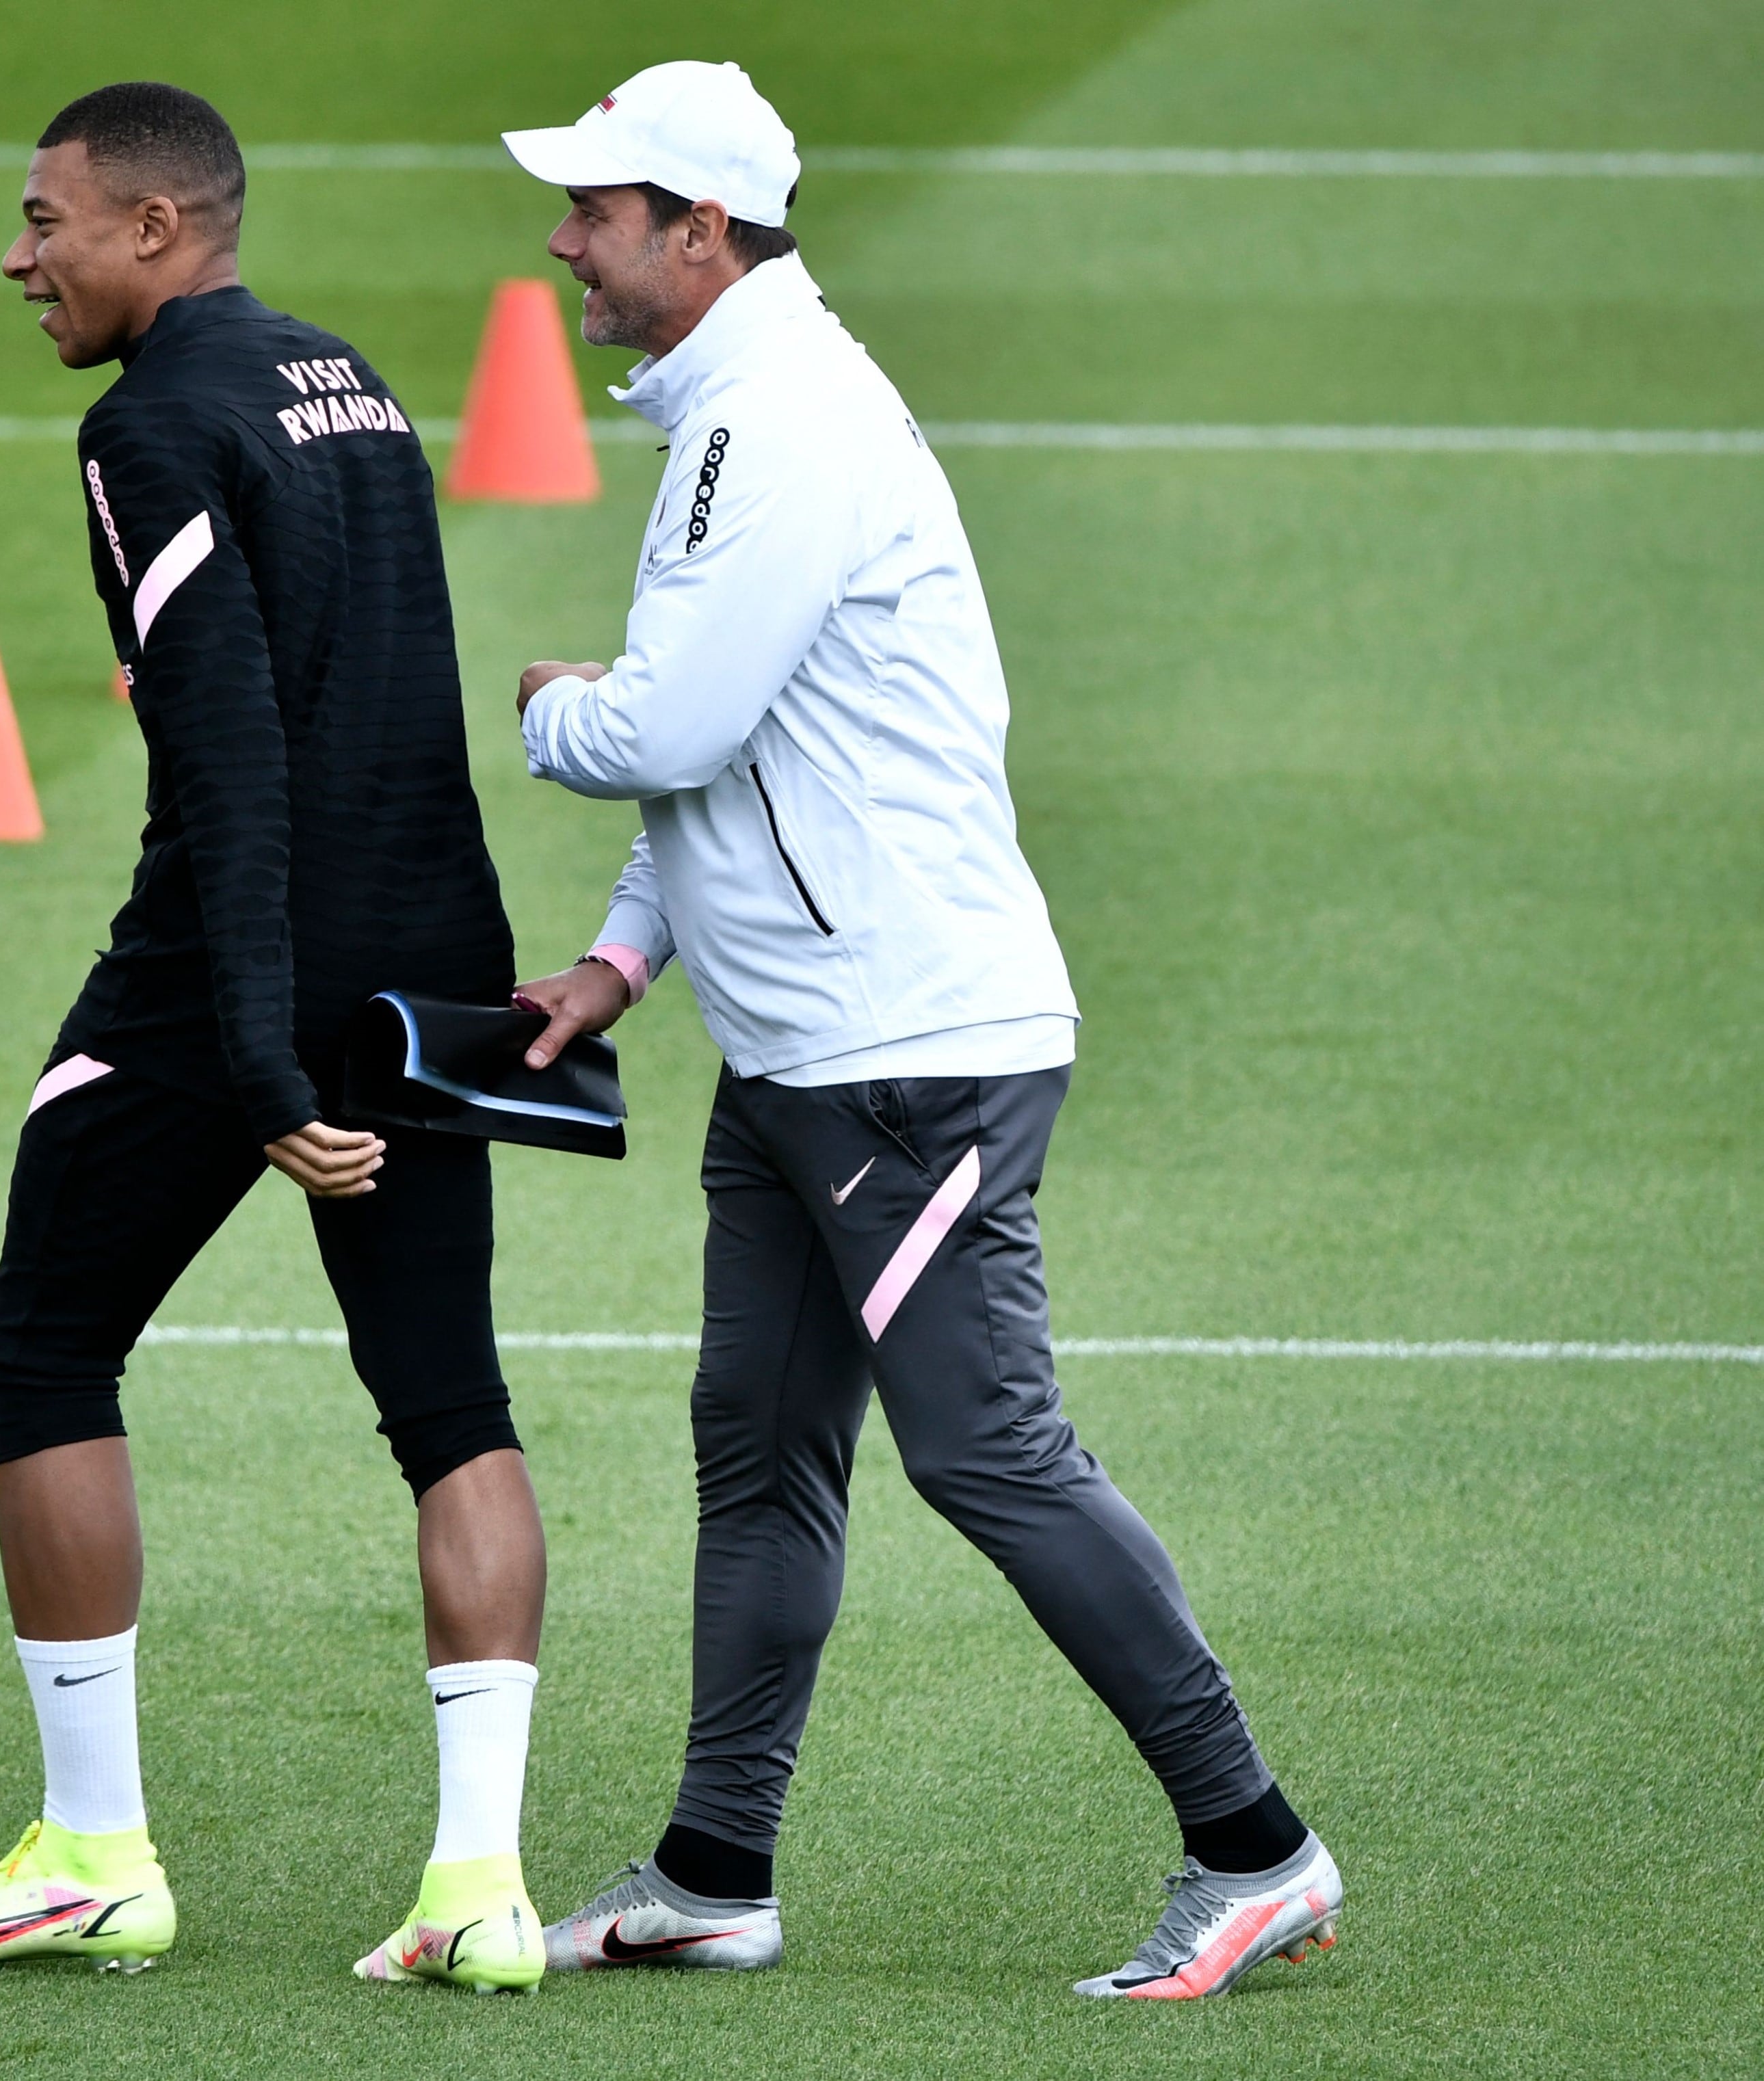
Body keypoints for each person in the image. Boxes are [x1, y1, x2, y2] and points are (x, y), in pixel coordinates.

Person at [493, 62, 1344, 2000]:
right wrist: (623, 963)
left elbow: (665, 731)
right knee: (759, 1444)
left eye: (596, 208)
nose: (563, 238)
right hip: (805, 1050)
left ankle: (1253, 1841)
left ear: (699, 231)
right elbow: (738, 767)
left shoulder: (775, 420)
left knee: (989, 1453)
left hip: (906, 1049)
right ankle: (715, 1866)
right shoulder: (732, 403)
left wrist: (551, 704)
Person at [0, 81, 550, 1991]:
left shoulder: (147, 422)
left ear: (155, 229)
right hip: (436, 946)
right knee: (448, 1397)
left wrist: (255, 1062)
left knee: (43, 1339)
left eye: (46, 221)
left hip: (233, 964)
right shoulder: (354, 378)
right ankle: (477, 1886)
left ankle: (93, 1850)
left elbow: (227, 751)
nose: (18, 258)